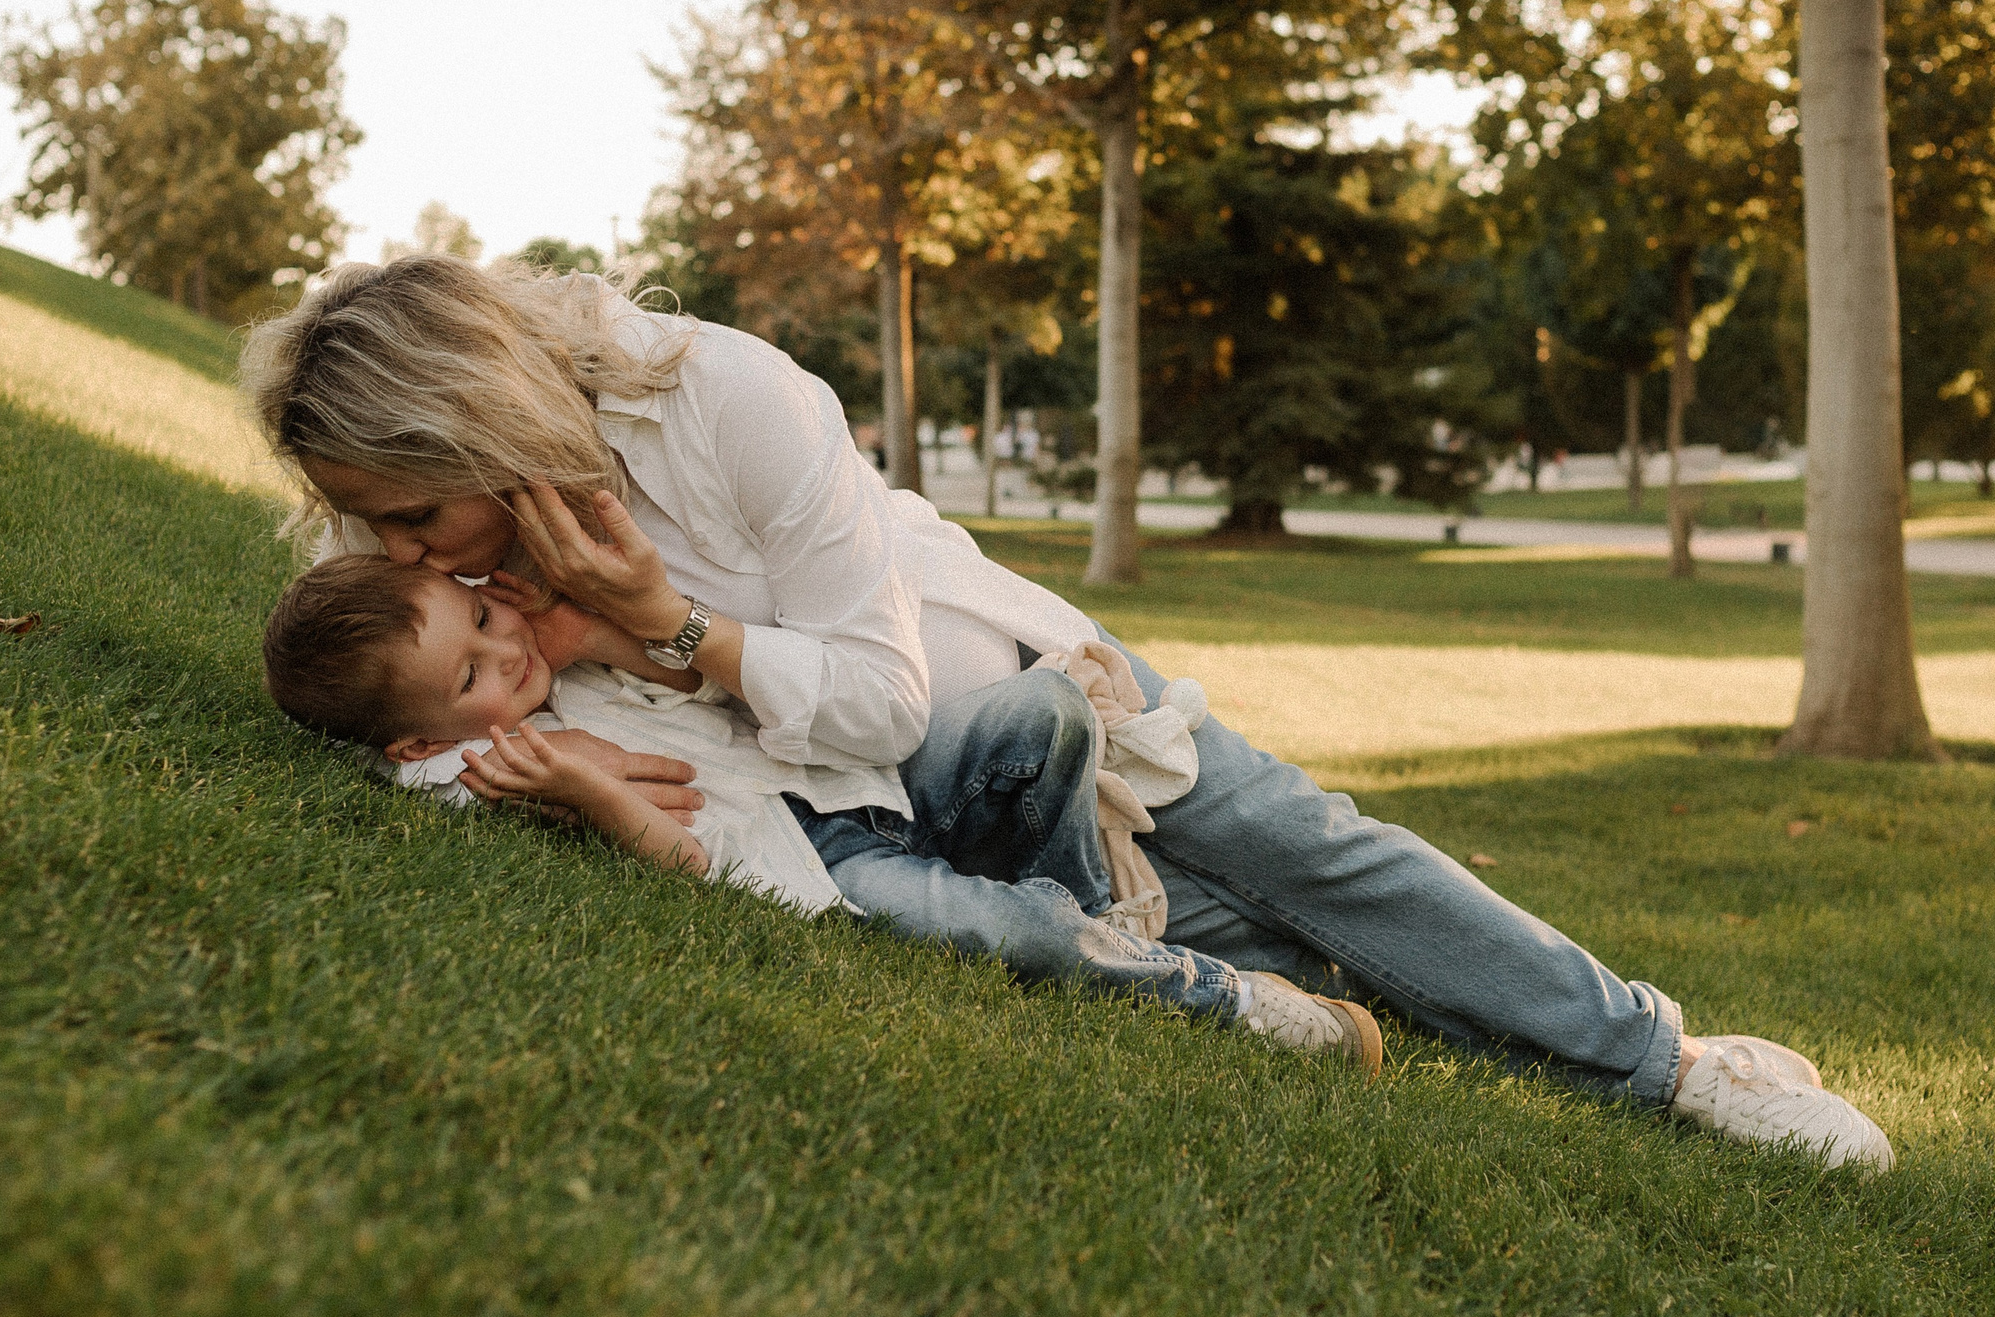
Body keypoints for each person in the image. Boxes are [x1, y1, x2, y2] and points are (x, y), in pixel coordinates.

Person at [239, 254, 1891, 1170]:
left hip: (1013, 711)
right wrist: (522, 751)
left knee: (1313, 852)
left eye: (407, 512)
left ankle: (1660, 1060)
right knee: (1280, 951)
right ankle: (1259, 976)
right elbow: (404, 724)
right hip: (877, 830)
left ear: (480, 419)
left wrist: (661, 628)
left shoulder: (716, 393)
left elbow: (882, 694)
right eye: (371, 527)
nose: (389, 551)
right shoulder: (435, 578)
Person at [259, 548, 1382, 1067]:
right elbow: (686, 861)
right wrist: (589, 791)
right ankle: (1229, 1001)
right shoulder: (480, 775)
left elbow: (708, 678)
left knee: (1042, 712)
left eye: (483, 622)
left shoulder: (557, 656)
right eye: (469, 676)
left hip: (870, 786)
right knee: (1012, 929)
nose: (503, 655)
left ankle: (1100, 923)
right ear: (414, 740)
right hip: (821, 863)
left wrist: (591, 631)